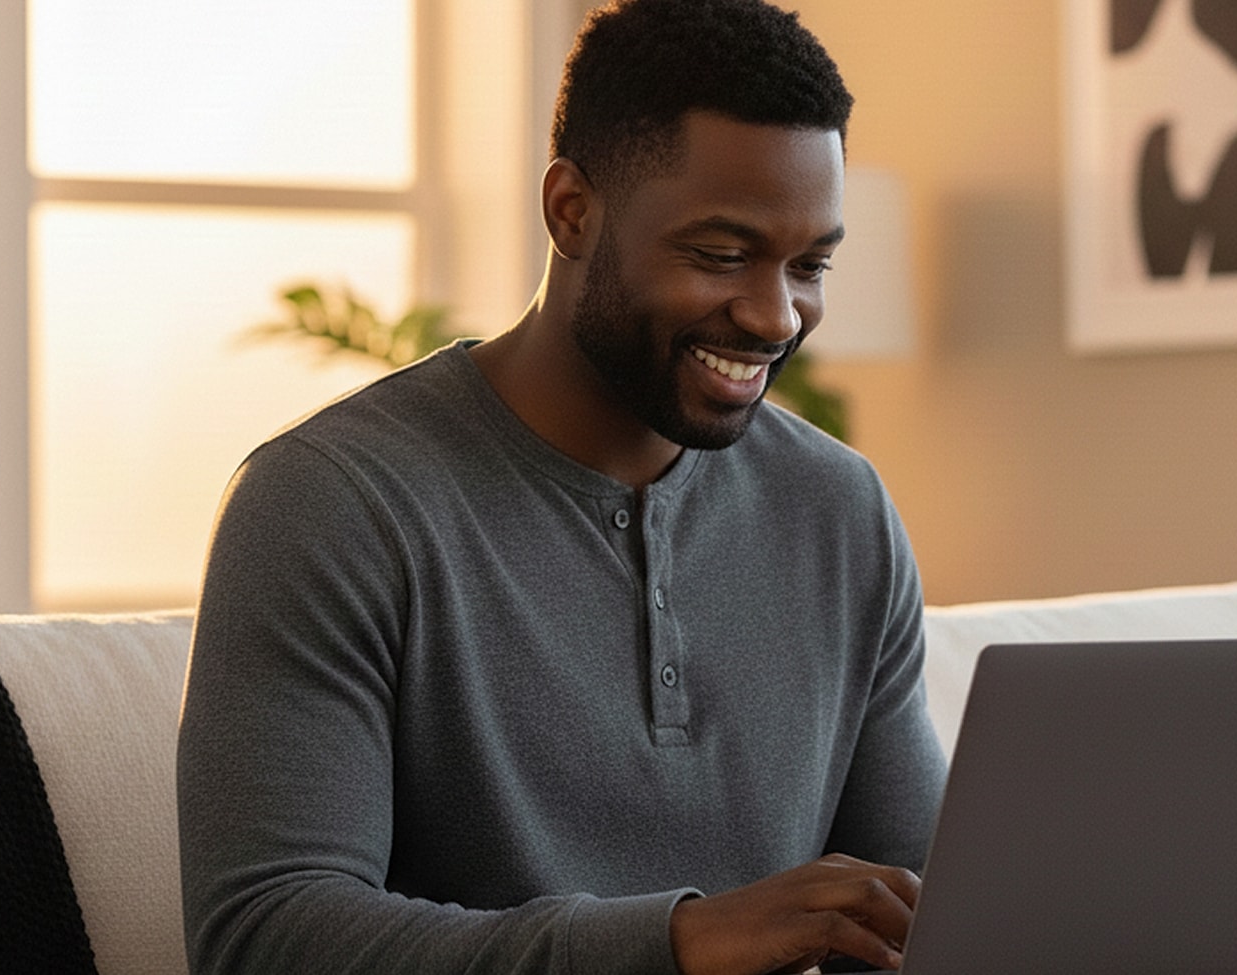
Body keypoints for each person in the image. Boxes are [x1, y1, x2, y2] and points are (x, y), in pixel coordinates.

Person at [174, 2, 947, 973]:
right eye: (719, 255)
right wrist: (676, 942)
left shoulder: (838, 510)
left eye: (809, 265)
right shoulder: (329, 503)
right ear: (570, 210)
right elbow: (265, 938)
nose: (772, 314)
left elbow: (926, 899)